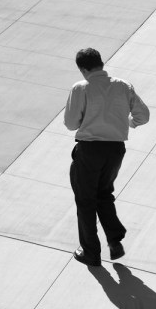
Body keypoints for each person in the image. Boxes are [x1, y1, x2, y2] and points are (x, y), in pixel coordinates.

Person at [63, 47, 149, 266]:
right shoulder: (123, 86)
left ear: (82, 69)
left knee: (85, 200)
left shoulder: (81, 88)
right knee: (104, 193)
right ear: (101, 62)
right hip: (115, 150)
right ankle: (114, 237)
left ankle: (91, 252)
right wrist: (128, 123)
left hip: (90, 151)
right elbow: (143, 115)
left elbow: (71, 124)